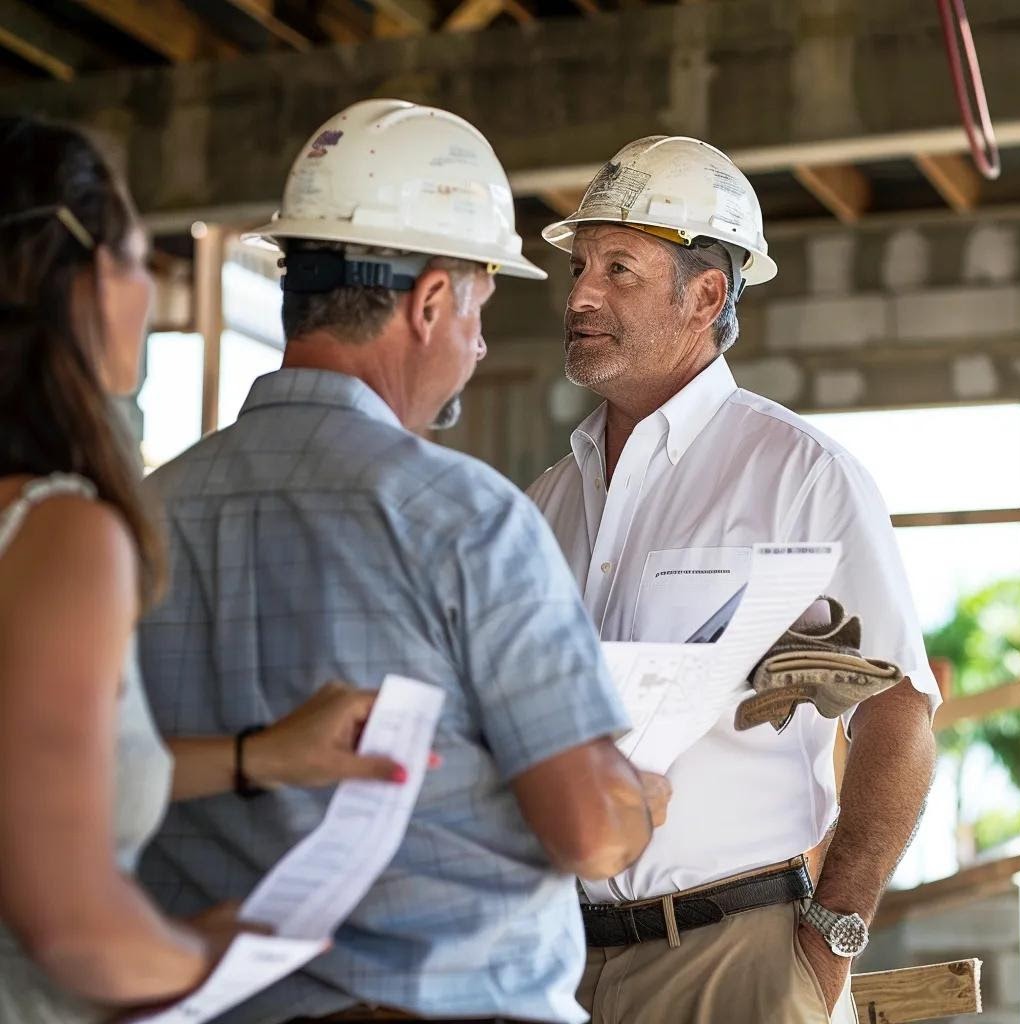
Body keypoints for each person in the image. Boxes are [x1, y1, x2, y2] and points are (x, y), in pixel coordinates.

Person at [137, 98, 666, 1024]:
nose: (479, 344)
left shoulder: (141, 515)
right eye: (478, 310)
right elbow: (588, 835)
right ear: (429, 303)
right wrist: (640, 801)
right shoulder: (463, 517)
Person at [0, 117, 418, 1024]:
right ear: (81, 281)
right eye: (139, 259)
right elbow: (74, 929)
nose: (148, 295)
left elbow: (33, 773)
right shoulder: (62, 532)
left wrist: (259, 756)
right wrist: (215, 955)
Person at [528, 135, 941, 1024]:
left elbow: (896, 713)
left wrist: (830, 936)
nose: (582, 294)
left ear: (706, 295)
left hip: (732, 960)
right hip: (555, 961)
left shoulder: (801, 478)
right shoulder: (547, 503)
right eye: (581, 267)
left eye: (620, 270)